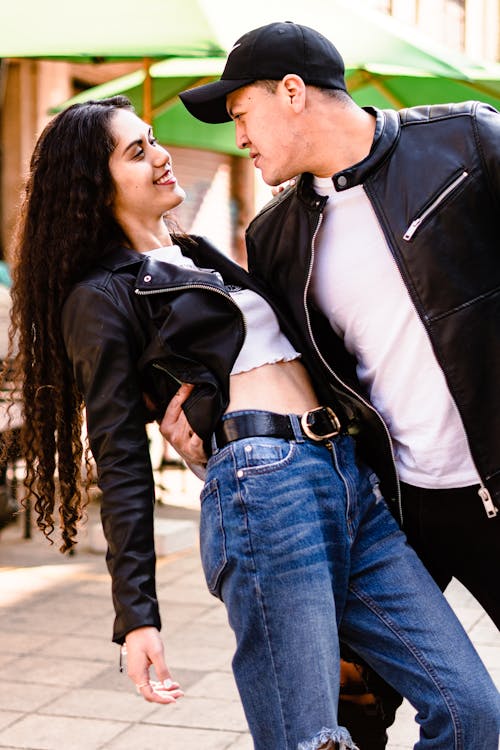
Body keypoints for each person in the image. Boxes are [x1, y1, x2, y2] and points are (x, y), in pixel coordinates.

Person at [4, 95, 499, 750]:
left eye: (152, 139)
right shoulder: (99, 296)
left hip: (349, 483)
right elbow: (119, 455)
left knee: (472, 712)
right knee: (311, 739)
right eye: (137, 150)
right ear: (96, 187)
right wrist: (137, 619)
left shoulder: (200, 253)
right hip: (268, 493)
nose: (161, 155)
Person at [176, 20, 500, 748]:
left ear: (292, 92)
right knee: (354, 708)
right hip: (399, 509)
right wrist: (200, 413)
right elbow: (291, 363)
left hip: (496, 488)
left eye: (239, 114)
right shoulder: (275, 236)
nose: (239, 139)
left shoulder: (469, 144)